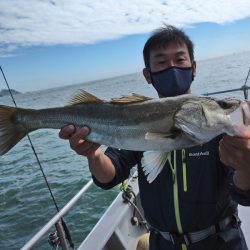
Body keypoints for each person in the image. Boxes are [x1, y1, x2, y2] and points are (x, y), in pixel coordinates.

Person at [59, 25, 250, 250]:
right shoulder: (137, 114)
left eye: (180, 60)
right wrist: (93, 153)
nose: (172, 68)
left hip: (222, 242)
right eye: (161, 62)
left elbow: (243, 193)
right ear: (148, 74)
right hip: (162, 243)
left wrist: (246, 165)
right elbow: (109, 175)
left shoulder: (218, 129)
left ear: (193, 68)